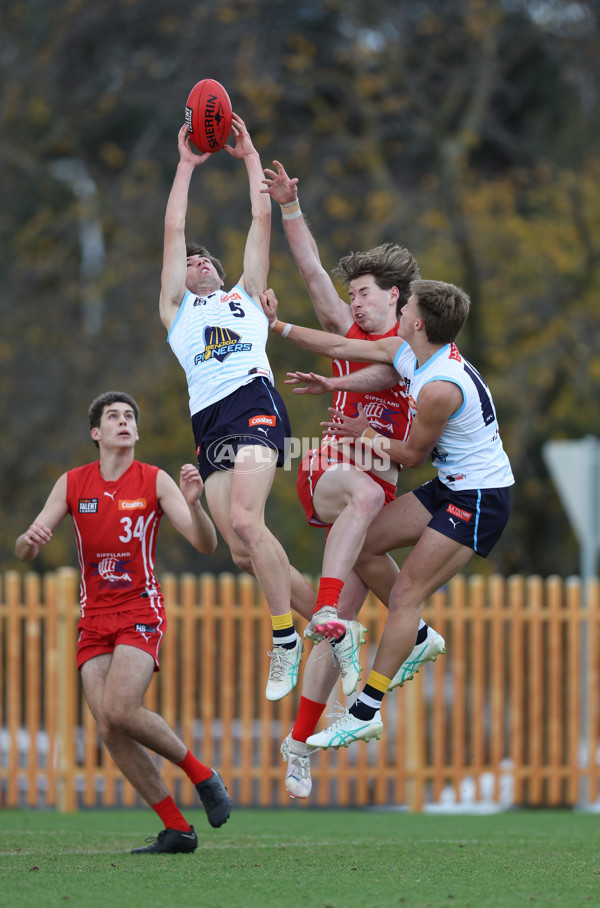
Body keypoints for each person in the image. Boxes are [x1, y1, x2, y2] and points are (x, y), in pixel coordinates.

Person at [261, 279, 514, 750]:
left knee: (404, 596)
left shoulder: (441, 386)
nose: (400, 306)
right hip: (451, 487)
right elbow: (338, 343)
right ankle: (415, 637)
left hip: (480, 498)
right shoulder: (410, 350)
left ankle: (365, 710)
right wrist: (276, 325)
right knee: (361, 543)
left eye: (407, 303)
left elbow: (413, 455)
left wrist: (363, 433)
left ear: (417, 322)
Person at [262, 163, 445, 797]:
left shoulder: (414, 349)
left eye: (365, 291)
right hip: (332, 468)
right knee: (365, 496)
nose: (356, 300)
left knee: (338, 613)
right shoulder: (347, 333)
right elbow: (313, 270)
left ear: (397, 297)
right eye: (355, 293)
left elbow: (387, 378)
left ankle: (298, 741)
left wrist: (336, 384)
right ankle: (364, 624)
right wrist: (290, 208)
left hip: (376, 488)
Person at [15, 391, 231, 854]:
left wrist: (195, 505)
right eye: (113, 416)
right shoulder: (73, 483)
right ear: (96, 433)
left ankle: (201, 774)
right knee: (109, 728)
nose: (123, 421)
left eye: (129, 416)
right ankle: (176, 829)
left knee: (121, 708)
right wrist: (29, 542)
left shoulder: (153, 480)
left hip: (140, 609)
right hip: (94, 617)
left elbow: (206, 545)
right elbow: (24, 547)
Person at [159, 116, 304, 701]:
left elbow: (261, 216)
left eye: (204, 261)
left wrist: (248, 157)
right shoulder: (176, 314)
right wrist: (186, 166)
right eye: (188, 262)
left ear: (219, 272)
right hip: (209, 420)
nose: (196, 262)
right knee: (246, 552)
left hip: (253, 401)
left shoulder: (245, 295)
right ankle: (332, 620)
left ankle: (285, 640)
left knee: (246, 520)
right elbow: (173, 227)